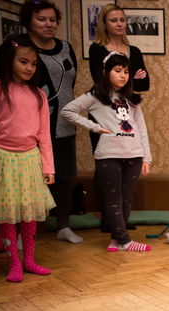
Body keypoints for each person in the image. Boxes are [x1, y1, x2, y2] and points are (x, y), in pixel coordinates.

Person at [0, 1, 81, 243]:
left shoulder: (66, 47)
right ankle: (18, 233)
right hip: (27, 126)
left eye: (52, 20)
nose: (48, 24)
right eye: (41, 19)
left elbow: (70, 82)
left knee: (63, 175)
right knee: (24, 181)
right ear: (29, 22)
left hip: (62, 121)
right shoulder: (18, 46)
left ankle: (63, 225)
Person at [61, 52, 152, 252]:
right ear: (106, 72)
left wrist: (147, 157)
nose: (123, 75)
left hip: (134, 154)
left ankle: (115, 240)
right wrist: (93, 126)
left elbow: (141, 128)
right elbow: (67, 111)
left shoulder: (131, 98)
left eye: (126, 72)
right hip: (109, 155)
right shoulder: (95, 96)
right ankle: (125, 241)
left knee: (126, 200)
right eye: (117, 71)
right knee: (113, 199)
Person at [0, 35, 56, 282]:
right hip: (4, 160)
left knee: (29, 214)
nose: (29, 68)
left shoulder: (39, 95)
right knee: (9, 214)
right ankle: (14, 263)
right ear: (10, 61)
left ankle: (29, 259)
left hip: (30, 160)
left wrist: (48, 166)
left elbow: (44, 134)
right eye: (23, 62)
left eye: (33, 63)